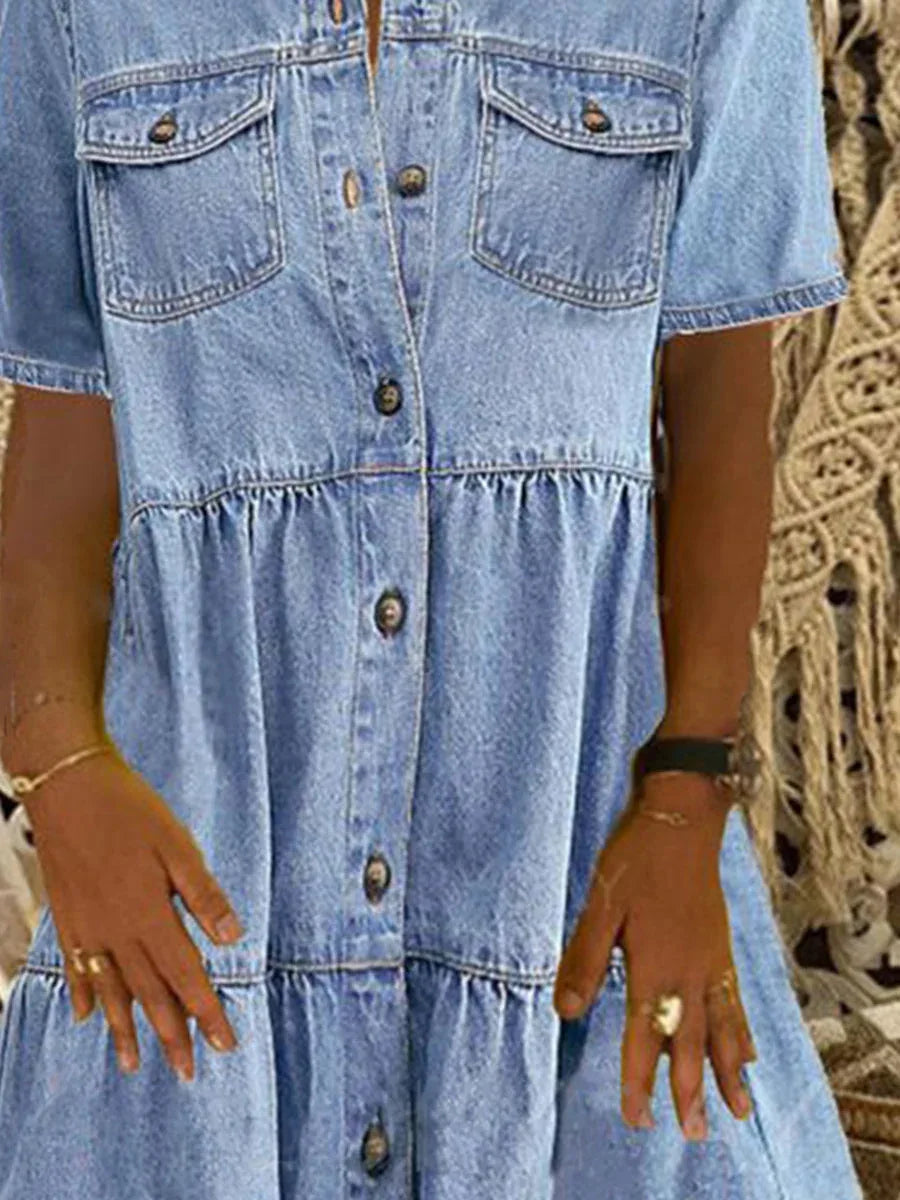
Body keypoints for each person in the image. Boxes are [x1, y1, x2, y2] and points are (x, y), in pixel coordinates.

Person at [0, 0, 865, 1196]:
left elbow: (721, 402)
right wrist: (59, 774)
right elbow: (63, 427)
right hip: (195, 873)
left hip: (583, 854)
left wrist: (684, 798)